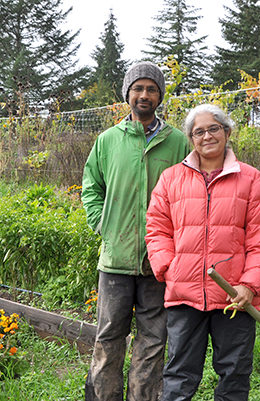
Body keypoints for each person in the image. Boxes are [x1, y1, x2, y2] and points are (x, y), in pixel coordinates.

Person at [145, 104, 260, 401]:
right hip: (184, 295)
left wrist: (249, 285)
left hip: (234, 298)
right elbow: (157, 230)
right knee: (179, 376)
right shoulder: (171, 179)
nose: (207, 136)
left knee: (234, 374)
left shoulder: (251, 179)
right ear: (191, 139)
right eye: (199, 131)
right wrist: (170, 269)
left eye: (213, 128)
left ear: (227, 132)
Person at [82, 61, 191, 400]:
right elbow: (91, 186)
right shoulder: (108, 141)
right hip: (115, 259)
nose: (144, 95)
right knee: (108, 336)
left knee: (153, 338)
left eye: (152, 89)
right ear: (127, 94)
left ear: (160, 96)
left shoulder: (177, 143)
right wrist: (103, 224)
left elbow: (189, 193)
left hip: (159, 263)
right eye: (138, 88)